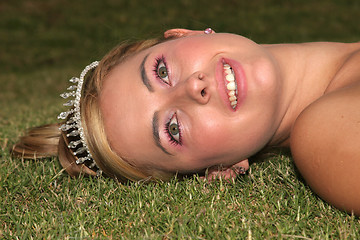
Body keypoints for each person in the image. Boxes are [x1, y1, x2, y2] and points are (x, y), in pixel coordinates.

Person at [11, 28, 360, 215]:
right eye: (172, 129)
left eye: (161, 71)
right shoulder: (325, 132)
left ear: (187, 33)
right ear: (223, 169)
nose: (193, 88)